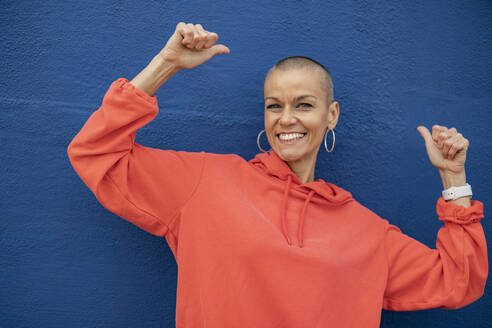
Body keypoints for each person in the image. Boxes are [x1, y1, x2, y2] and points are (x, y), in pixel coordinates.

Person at [67, 22, 487, 327]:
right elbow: (97, 153)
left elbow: (458, 281)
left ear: (331, 115)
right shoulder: (205, 183)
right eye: (274, 105)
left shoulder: (366, 231)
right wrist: (165, 65)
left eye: (303, 105)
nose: (287, 119)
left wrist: (454, 179)